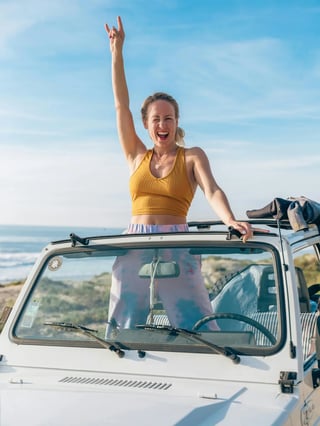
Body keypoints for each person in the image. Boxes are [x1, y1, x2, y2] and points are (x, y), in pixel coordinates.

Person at [104, 16, 253, 333]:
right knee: (122, 327)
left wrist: (229, 220)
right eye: (156, 119)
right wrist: (117, 51)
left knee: (196, 324)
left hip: (177, 243)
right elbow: (121, 105)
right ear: (146, 123)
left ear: (176, 122)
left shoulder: (191, 156)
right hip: (135, 246)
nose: (163, 125)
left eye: (169, 118)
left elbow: (212, 191)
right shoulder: (136, 156)